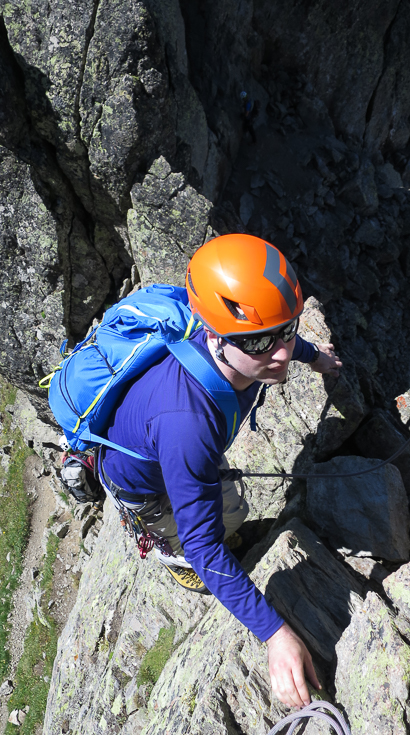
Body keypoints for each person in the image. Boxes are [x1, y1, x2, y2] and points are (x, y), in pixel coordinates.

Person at [99, 233, 342, 708]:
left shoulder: (233, 343)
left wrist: (316, 358)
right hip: (144, 486)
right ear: (213, 334)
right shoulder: (188, 424)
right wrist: (275, 636)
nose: (280, 354)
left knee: (228, 504)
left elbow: (275, 336)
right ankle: (180, 570)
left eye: (288, 331)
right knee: (222, 521)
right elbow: (203, 542)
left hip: (173, 447)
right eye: (257, 341)